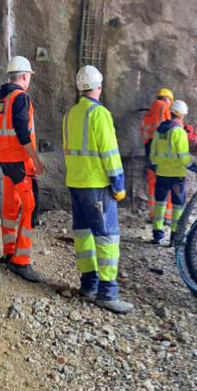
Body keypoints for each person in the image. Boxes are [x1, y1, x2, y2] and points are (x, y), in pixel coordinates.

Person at [62, 65, 133, 314]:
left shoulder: (71, 114)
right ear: (99, 87)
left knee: (83, 235)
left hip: (76, 183)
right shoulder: (99, 114)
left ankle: (88, 285)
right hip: (97, 186)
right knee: (106, 237)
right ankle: (108, 293)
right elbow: (110, 152)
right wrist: (119, 184)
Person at [0, 56, 47, 282]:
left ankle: (8, 251)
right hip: (21, 162)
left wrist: (6, 150)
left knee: (11, 206)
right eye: (29, 77)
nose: (29, 80)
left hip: (4, 160)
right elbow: (23, 131)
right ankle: (21, 262)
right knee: (30, 207)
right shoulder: (20, 97)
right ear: (24, 76)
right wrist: (36, 158)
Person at [149, 99, 197, 245]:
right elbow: (184, 157)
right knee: (178, 205)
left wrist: (156, 166)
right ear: (182, 115)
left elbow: (152, 154)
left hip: (161, 174)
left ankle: (158, 235)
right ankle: (175, 238)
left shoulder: (159, 130)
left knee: (159, 203)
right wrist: (195, 168)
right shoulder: (178, 131)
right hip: (176, 176)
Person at [141, 88, 173, 220]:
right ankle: (167, 216)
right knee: (167, 185)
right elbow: (169, 131)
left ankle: (154, 215)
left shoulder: (148, 113)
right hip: (163, 155)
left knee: (153, 186)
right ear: (168, 100)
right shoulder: (163, 107)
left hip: (150, 155)